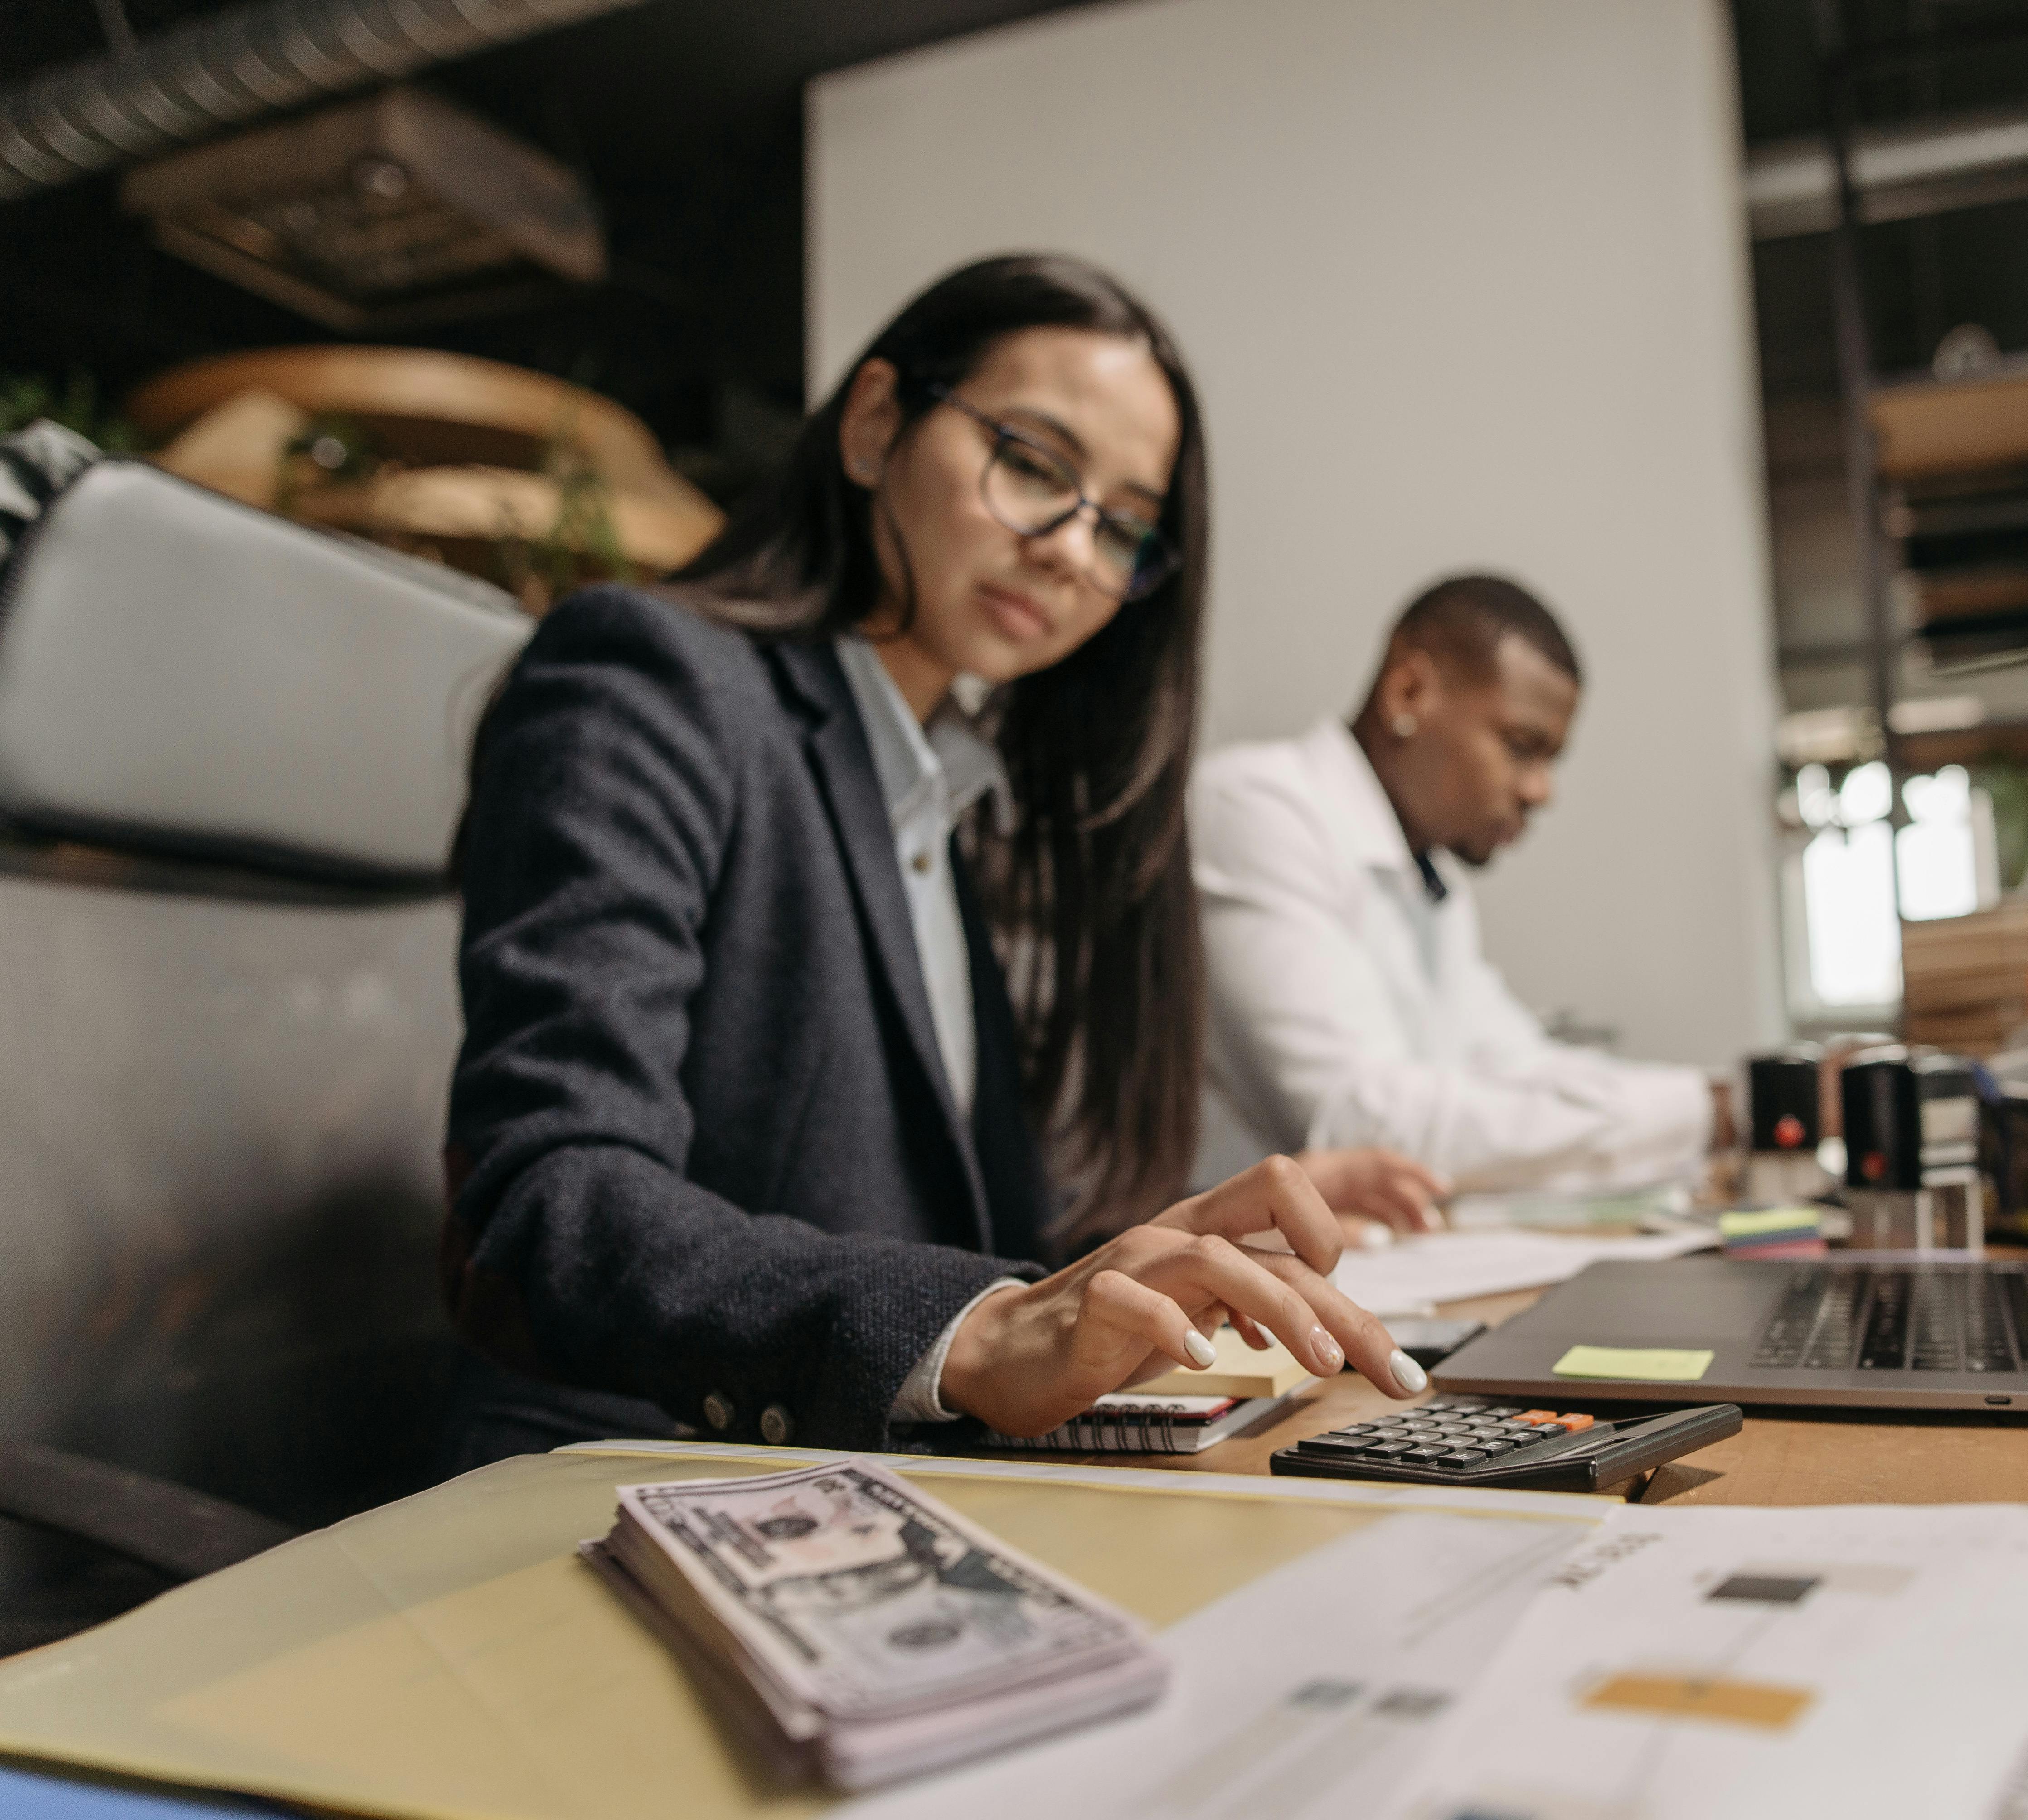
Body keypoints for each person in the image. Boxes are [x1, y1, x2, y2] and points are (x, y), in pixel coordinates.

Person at [436, 255, 1430, 1474]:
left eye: (1123, 525)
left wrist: (1151, 1253)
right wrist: (981, 1326)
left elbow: (924, 1231)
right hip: (623, 1481)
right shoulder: (647, 680)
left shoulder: (940, 789)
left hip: (877, 1482)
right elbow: (554, 1196)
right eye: (1034, 466)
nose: (1073, 550)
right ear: (872, 428)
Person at [1192, 575, 1729, 1196]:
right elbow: (1357, 1124)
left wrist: (1726, 1098)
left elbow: (1519, 1066)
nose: (1540, 792)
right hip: (1194, 1278)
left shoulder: (1431, 880)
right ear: (1409, 691)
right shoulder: (1258, 808)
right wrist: (1713, 1111)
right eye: (1523, 747)